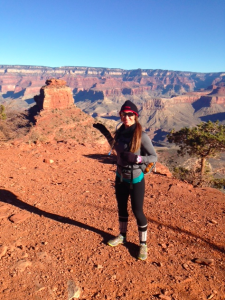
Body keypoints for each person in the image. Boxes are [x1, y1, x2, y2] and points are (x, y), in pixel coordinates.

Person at [107, 100, 157, 260]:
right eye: (123, 114)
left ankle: (143, 244)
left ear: (135, 116)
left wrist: (137, 159)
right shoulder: (120, 133)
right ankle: (122, 236)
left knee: (138, 211)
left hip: (135, 179)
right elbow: (116, 149)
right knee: (121, 208)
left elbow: (154, 157)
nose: (126, 117)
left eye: (130, 114)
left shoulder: (142, 136)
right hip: (120, 177)